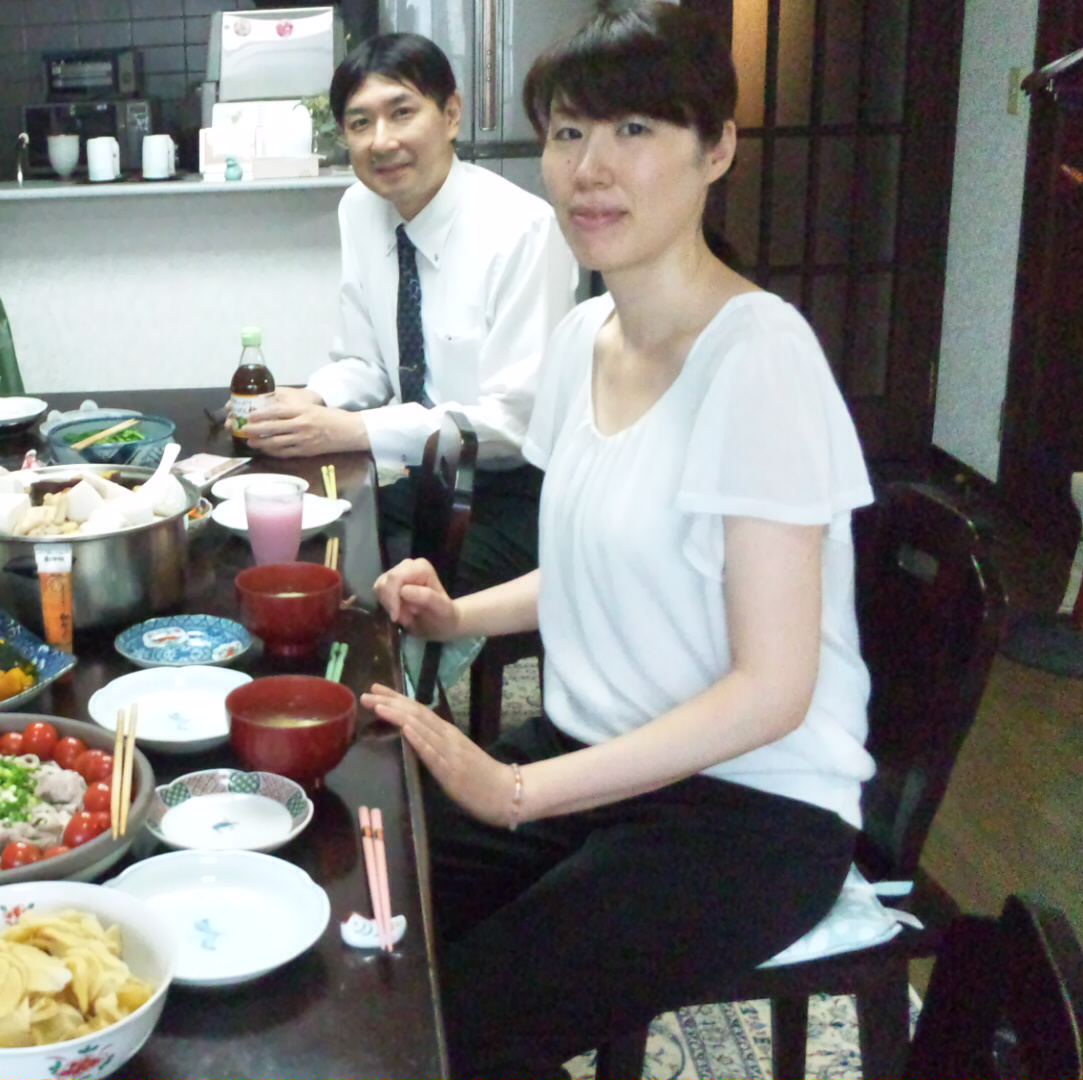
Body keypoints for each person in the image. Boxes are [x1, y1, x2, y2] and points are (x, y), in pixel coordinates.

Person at [359, 7, 875, 1076]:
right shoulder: (583, 336)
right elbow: (592, 571)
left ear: (716, 147)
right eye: (567, 133)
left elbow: (774, 690)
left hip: (748, 813)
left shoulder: (761, 361)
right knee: (363, 904)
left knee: (452, 1031)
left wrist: (518, 794)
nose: (590, 169)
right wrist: (457, 616)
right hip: (592, 758)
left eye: (634, 129)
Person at [240, 33, 578, 603]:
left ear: (451, 115)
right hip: (417, 474)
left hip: (514, 493)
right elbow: (365, 361)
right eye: (360, 122)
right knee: (295, 530)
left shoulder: (523, 229)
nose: (383, 141)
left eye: (402, 113)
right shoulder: (361, 208)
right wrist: (310, 400)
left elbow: (516, 424)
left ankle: (414, 665)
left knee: (372, 591)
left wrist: (354, 430)